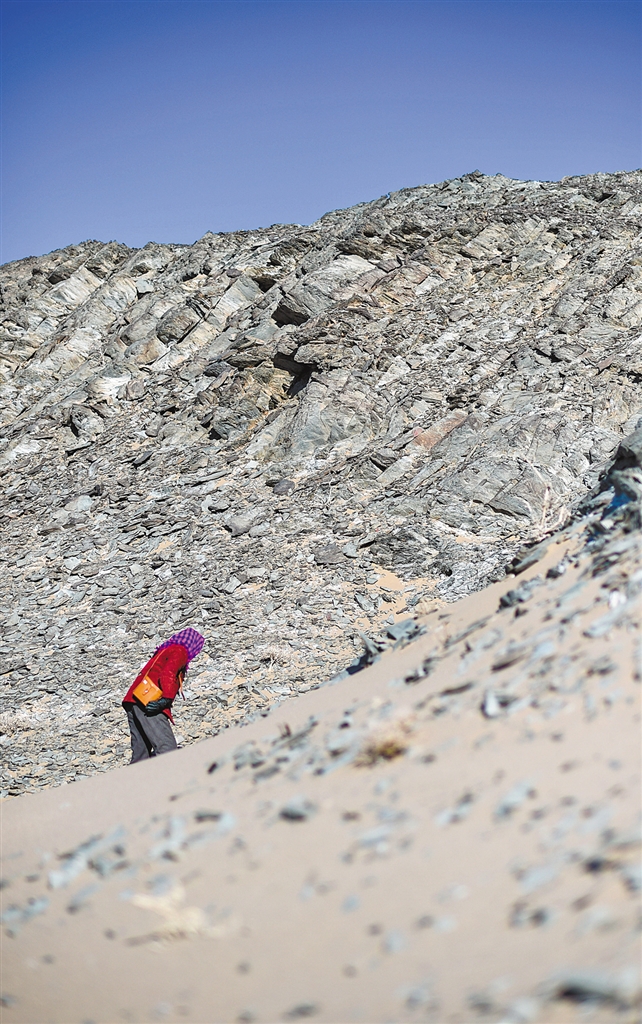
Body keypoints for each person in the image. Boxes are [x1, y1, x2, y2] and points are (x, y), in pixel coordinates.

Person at [122, 627, 205, 763]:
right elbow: (168, 673)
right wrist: (166, 699)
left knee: (141, 755)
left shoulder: (164, 651)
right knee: (167, 748)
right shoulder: (180, 651)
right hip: (149, 702)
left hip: (133, 700)